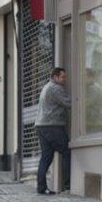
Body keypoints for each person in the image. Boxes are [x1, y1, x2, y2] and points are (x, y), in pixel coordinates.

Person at [35, 67, 71, 195]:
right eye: (63, 77)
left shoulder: (47, 87)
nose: (64, 80)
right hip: (52, 126)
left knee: (46, 157)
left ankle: (41, 187)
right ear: (55, 77)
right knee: (66, 151)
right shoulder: (55, 88)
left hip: (41, 126)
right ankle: (68, 186)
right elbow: (69, 103)